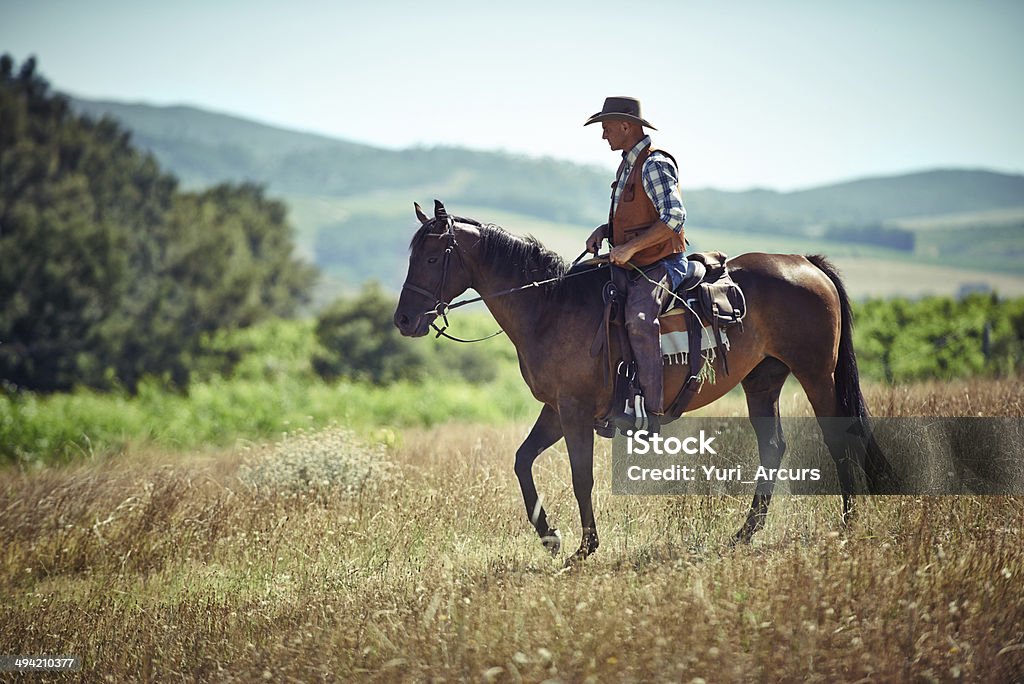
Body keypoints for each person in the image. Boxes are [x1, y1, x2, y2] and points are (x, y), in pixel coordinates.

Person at [583, 96, 688, 432]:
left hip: (663, 264)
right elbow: (636, 217)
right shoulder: (628, 163)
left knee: (639, 318)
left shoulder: (654, 163)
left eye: (606, 128)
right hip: (635, 263)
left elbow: (674, 217)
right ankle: (617, 398)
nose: (603, 136)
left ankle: (652, 415)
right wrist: (606, 231)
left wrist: (629, 249)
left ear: (626, 126)